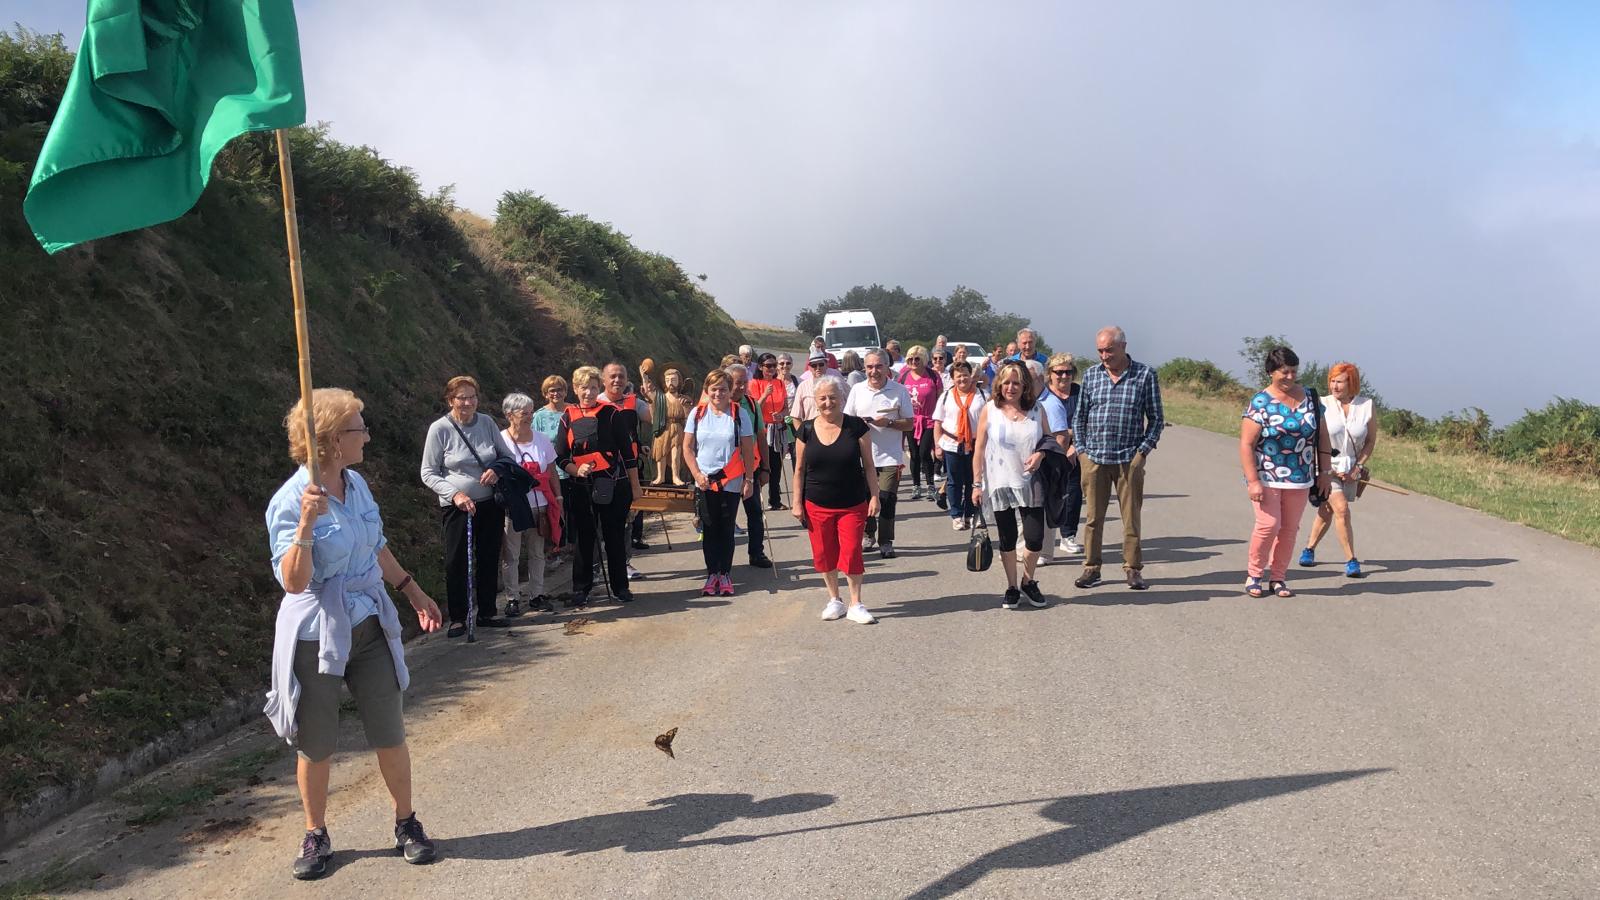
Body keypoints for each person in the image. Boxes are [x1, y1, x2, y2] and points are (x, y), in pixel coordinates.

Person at [265, 388, 443, 879]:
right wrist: (304, 522)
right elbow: (294, 581)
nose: (367, 434)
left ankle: (406, 822)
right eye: (358, 427)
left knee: (389, 729)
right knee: (317, 741)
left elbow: (377, 548)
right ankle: (315, 833)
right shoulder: (290, 500)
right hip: (315, 633)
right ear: (330, 440)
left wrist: (413, 591)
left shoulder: (357, 483)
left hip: (368, 624)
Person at [1072, 326, 1164, 591]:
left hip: (1128, 459)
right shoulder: (1091, 376)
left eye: (1109, 350)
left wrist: (1143, 451)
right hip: (1095, 458)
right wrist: (1082, 451)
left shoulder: (1145, 375)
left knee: (1131, 518)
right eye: (1100, 350)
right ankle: (1091, 568)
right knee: (1093, 518)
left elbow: (1156, 418)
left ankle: (1133, 569)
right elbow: (1080, 417)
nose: (1104, 356)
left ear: (1123, 346)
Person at [420, 376, 513, 634]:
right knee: (456, 560)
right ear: (451, 400)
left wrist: (495, 470)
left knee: (488, 557)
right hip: (458, 507)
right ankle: (459, 617)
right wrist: (455, 495)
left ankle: (487, 612)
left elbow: (506, 457)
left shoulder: (487, 422)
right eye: (462, 397)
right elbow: (428, 472)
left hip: (489, 503)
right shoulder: (439, 429)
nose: (468, 402)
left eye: (472, 396)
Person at [1239, 347, 1332, 598]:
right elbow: (1246, 444)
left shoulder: (1311, 399)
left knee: (1289, 529)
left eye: (1294, 372)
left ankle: (1278, 577)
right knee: (1269, 524)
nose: (1290, 377)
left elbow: (1323, 438)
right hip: (1267, 475)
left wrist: (1325, 472)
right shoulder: (1261, 402)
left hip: (1300, 478)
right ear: (1271, 372)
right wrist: (1253, 481)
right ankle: (1255, 574)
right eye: (1284, 372)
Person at [793, 377, 881, 623]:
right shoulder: (806, 429)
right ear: (815, 401)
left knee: (852, 551)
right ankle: (835, 600)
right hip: (816, 504)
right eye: (822, 398)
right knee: (824, 553)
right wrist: (797, 502)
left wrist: (874, 496)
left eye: (833, 397)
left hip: (852, 504)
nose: (828, 402)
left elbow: (870, 467)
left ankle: (856, 603)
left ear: (842, 398)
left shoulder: (857, 427)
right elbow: (799, 469)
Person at [555, 366, 642, 607]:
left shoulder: (612, 413)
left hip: (614, 485)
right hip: (581, 486)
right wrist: (575, 470)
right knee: (584, 540)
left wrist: (636, 488)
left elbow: (628, 454)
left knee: (614, 536)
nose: (589, 393)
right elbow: (560, 456)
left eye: (593, 387)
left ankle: (620, 587)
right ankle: (581, 589)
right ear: (575, 389)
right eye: (584, 388)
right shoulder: (567, 416)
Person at [971, 362, 1050, 609]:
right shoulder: (990, 409)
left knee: (1035, 538)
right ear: (999, 384)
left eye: (1016, 382)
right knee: (1007, 538)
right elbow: (979, 449)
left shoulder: (1037, 409)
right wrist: (976, 484)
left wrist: (1040, 455)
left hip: (1030, 480)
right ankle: (1012, 587)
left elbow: (1048, 440)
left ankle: (1029, 580)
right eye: (1006, 382)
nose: (1011, 387)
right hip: (1000, 481)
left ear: (1025, 384)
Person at [684, 369, 757, 596]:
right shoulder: (697, 413)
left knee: (726, 528)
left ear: (729, 391)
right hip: (704, 481)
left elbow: (747, 448)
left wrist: (749, 479)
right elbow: (687, 447)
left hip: (731, 480)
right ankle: (711, 573)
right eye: (714, 389)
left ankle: (725, 573)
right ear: (707, 390)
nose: (718, 393)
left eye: (723, 389)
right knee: (709, 528)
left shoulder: (738, 414)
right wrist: (696, 474)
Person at [1301, 362, 1377, 577]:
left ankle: (1309, 549)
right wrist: (1326, 469)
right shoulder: (1321, 403)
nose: (1334, 386)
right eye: (1332, 381)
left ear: (1351, 383)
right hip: (1326, 468)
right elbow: (1312, 438)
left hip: (1351, 470)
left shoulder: (1366, 406)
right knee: (1342, 509)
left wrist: (1358, 466)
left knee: (1327, 510)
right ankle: (1351, 560)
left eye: (1340, 381)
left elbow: (1371, 440)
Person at [845, 349, 914, 558]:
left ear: (887, 368)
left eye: (878, 366)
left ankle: (886, 541)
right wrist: (861, 424)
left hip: (890, 456)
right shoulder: (857, 390)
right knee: (865, 499)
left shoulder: (899, 390)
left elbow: (909, 424)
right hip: (863, 456)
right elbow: (847, 421)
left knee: (886, 497)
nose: (874, 371)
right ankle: (868, 534)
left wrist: (889, 423)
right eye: (869, 367)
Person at [498, 392, 561, 616]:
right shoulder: (501, 440)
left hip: (541, 503)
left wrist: (558, 497)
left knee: (537, 552)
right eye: (524, 413)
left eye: (531, 412)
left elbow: (552, 471)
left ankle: (537, 594)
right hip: (514, 506)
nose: (529, 417)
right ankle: (512, 598)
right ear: (509, 415)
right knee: (511, 554)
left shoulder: (542, 439)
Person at [600, 363, 646, 581]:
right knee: (598, 522)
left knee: (626, 518)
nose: (617, 380)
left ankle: (624, 563)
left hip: (628, 468)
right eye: (613, 376)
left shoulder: (633, 401)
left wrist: (655, 398)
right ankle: (596, 567)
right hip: (600, 470)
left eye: (621, 376)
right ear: (603, 379)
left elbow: (657, 418)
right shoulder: (594, 401)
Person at [1035, 353, 1083, 561]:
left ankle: (1068, 535)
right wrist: (1066, 432)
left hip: (1073, 453)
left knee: (1072, 494)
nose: (1064, 376)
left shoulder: (1080, 394)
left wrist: (1075, 446)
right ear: (1049, 374)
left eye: (1068, 372)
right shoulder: (1042, 394)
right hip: (1046, 452)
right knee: (1045, 496)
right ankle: (1040, 543)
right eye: (1059, 372)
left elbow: (1088, 423)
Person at [725, 365, 774, 568]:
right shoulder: (717, 405)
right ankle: (723, 561)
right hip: (725, 472)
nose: (743, 387)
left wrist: (766, 468)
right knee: (726, 517)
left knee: (754, 512)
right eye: (738, 383)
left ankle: (757, 553)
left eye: (745, 382)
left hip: (750, 469)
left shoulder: (752, 404)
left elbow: (761, 436)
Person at [932, 360, 987, 530]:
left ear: (971, 376)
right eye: (958, 376)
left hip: (976, 444)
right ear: (952, 379)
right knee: (954, 481)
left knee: (973, 480)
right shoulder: (946, 396)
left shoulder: (983, 396)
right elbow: (938, 422)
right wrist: (937, 445)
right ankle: (956, 514)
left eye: (965, 375)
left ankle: (971, 514)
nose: (962, 379)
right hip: (951, 443)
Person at [897, 345, 942, 502]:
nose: (914, 362)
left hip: (928, 420)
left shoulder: (933, 376)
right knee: (914, 454)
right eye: (910, 359)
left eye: (917, 358)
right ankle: (916, 485)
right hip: (910, 420)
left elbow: (940, 398)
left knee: (924, 452)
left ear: (923, 359)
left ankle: (931, 486)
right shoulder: (903, 377)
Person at [750, 353, 790, 510]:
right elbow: (754, 407)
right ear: (760, 367)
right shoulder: (755, 383)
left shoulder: (779, 383)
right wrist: (765, 394)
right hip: (763, 429)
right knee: (760, 465)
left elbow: (786, 407)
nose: (772, 369)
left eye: (774, 365)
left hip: (777, 428)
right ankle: (756, 500)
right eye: (768, 366)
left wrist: (781, 414)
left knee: (776, 465)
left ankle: (775, 499)